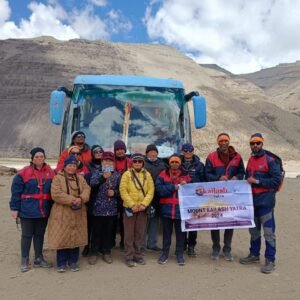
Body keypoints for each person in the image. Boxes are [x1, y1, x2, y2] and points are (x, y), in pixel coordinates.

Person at [240, 133, 281, 273]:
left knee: (269, 233)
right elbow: (247, 178)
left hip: (266, 203)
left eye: (258, 143)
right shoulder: (251, 160)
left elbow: (276, 180)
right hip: (252, 203)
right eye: (253, 143)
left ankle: (270, 260)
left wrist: (257, 181)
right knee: (254, 231)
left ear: (262, 143)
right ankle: (254, 254)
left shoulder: (270, 160)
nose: (255, 145)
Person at [9, 147, 55, 272]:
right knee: (27, 235)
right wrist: (14, 208)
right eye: (37, 157)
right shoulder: (23, 173)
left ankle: (38, 258)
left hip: (43, 210)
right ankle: (24, 260)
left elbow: (55, 190)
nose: (39, 158)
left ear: (44, 157)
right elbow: (16, 192)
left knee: (40, 235)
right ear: (32, 158)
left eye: (41, 156)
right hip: (27, 210)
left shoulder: (51, 172)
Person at [205, 133, 245, 261]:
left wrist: (237, 177)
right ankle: (216, 248)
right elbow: (207, 174)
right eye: (221, 141)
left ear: (229, 142)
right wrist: (218, 178)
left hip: (231, 195)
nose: (223, 143)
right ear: (218, 143)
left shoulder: (237, 157)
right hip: (215, 194)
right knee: (215, 222)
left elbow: (242, 172)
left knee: (230, 221)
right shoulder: (211, 157)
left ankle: (227, 249)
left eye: (225, 140)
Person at [48, 156, 91, 272]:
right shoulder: (57, 178)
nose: (72, 168)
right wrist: (72, 200)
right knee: (62, 236)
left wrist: (81, 198)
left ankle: (73, 261)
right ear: (65, 166)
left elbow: (87, 190)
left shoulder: (81, 179)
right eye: (69, 165)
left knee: (76, 236)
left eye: (74, 166)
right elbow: (56, 194)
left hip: (78, 212)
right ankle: (61, 263)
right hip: (62, 212)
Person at [119, 153, 154, 267]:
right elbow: (123, 190)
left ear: (143, 163)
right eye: (135, 161)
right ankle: (129, 256)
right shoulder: (126, 174)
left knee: (140, 233)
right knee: (129, 234)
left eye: (140, 161)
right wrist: (132, 205)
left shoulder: (147, 175)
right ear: (132, 163)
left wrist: (144, 204)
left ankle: (138, 255)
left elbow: (151, 190)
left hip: (142, 209)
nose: (137, 163)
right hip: (130, 209)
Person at [156, 154, 191, 266]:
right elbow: (159, 190)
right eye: (172, 162)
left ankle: (179, 254)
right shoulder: (162, 174)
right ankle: (165, 253)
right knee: (166, 234)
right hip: (166, 210)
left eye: (177, 162)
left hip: (180, 210)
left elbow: (192, 191)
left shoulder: (186, 176)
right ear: (169, 163)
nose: (175, 164)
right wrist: (173, 187)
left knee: (180, 235)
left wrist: (187, 185)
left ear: (180, 163)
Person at [88, 152, 120, 265]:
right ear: (102, 162)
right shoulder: (96, 173)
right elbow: (92, 185)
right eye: (105, 160)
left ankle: (106, 252)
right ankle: (93, 252)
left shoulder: (117, 175)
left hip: (111, 209)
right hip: (98, 208)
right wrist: (103, 177)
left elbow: (121, 191)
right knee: (96, 232)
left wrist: (115, 193)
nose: (108, 162)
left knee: (108, 232)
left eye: (110, 160)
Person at [180, 143, 206, 257]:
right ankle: (182, 244)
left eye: (190, 150)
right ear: (182, 151)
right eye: (185, 150)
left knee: (193, 222)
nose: (188, 152)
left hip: (195, 198)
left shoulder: (199, 165)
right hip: (181, 197)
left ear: (193, 151)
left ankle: (191, 246)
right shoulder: (177, 162)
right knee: (181, 221)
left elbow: (204, 180)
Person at [143, 144, 166, 252]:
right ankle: (141, 244)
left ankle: (152, 243)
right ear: (146, 153)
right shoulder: (141, 163)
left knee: (155, 220)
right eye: (150, 152)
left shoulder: (162, 164)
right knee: (143, 220)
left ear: (157, 153)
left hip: (158, 196)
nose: (152, 154)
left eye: (154, 152)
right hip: (145, 195)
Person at [82, 145, 104, 257]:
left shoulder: (106, 165)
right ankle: (86, 246)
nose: (99, 153)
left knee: (98, 225)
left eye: (101, 151)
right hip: (90, 197)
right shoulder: (87, 166)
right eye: (96, 152)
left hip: (103, 198)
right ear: (92, 154)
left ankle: (97, 246)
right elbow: (85, 181)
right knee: (88, 225)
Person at [113, 139, 132, 250]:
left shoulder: (130, 162)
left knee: (126, 220)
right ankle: (111, 241)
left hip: (126, 196)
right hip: (114, 195)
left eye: (121, 149)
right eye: (117, 150)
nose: (120, 151)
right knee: (112, 220)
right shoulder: (111, 162)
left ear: (124, 150)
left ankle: (124, 242)